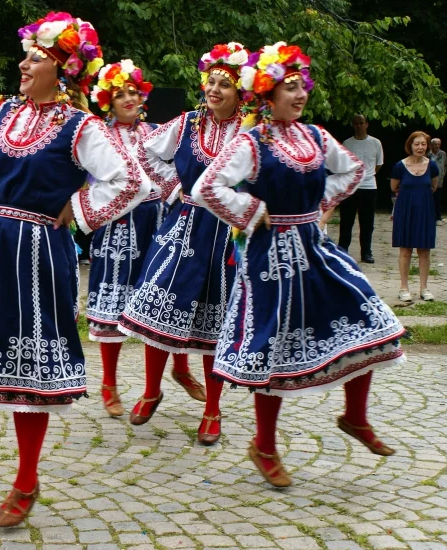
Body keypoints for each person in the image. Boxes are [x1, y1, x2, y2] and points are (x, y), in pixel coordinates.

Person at [0, 12, 149, 527]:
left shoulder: (81, 127)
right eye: (28, 55)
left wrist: (78, 212)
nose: (23, 63)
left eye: (35, 57)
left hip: (41, 250)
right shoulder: (1, 116)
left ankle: (26, 480)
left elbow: (130, 182)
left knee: (28, 365)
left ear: (60, 69)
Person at [193, 41, 405, 488]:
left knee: (368, 319)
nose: (299, 94)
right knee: (275, 347)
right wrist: (251, 212)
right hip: (268, 257)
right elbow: (207, 189)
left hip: (314, 245)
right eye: (288, 88)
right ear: (267, 95)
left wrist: (321, 205)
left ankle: (355, 416)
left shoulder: (316, 136)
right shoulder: (251, 142)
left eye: (301, 85)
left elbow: (350, 172)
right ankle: (264, 446)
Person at [117, 42, 256, 442]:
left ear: (240, 93)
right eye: (211, 81)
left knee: (219, 317)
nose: (214, 90)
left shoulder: (249, 130)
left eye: (224, 85)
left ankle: (213, 410)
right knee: (159, 303)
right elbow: (144, 154)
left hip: (227, 232)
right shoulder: (187, 123)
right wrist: (172, 185)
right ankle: (150, 390)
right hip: (186, 222)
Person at [84, 59, 198, 419]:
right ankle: (109, 383)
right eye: (120, 95)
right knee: (115, 301)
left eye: (133, 92)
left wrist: (176, 190)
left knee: (166, 291)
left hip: (158, 218)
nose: (129, 99)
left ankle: (180, 367)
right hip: (118, 223)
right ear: (108, 101)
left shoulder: (155, 131)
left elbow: (179, 164)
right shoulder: (97, 133)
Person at [392, 131, 440, 301]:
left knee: (424, 250)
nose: (420, 147)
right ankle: (404, 288)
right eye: (416, 144)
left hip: (425, 210)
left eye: (423, 144)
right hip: (405, 209)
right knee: (405, 249)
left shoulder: (432, 166)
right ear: (410, 146)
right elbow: (394, 187)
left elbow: (433, 186)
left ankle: (424, 288)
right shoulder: (400, 166)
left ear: (427, 146)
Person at [340, 114, 383, 263]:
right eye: (356, 123)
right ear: (353, 125)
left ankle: (366, 252)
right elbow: (343, 164)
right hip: (351, 187)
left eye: (361, 123)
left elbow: (379, 163)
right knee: (346, 220)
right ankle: (342, 249)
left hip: (369, 186)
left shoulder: (375, 143)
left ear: (367, 124)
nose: (358, 126)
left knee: (367, 222)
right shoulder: (347, 143)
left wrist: (367, 175)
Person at [429, 138, 446, 224]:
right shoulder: (427, 154)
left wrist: (443, 174)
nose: (437, 146)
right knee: (429, 199)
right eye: (435, 144)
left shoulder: (443, 154)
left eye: (439, 144)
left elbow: (445, 165)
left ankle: (438, 217)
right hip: (428, 181)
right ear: (431, 145)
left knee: (437, 199)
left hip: (439, 180)